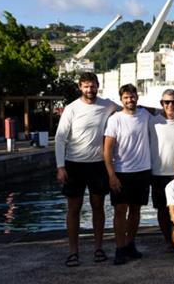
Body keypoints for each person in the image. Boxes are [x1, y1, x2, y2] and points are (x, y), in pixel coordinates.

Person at [54, 72, 117, 267]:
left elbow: (130, 109)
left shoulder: (107, 105)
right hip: (74, 164)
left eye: (93, 86)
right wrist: (60, 166)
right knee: (73, 209)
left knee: (98, 206)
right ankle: (73, 251)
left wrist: (160, 111)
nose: (89, 90)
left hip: (98, 165)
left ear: (98, 86)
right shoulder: (72, 109)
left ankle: (99, 248)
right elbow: (60, 138)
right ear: (80, 87)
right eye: (86, 86)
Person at [103, 84, 152, 265]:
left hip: (142, 171)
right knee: (120, 211)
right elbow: (107, 151)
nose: (130, 100)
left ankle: (130, 244)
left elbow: (162, 113)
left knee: (136, 210)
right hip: (122, 172)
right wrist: (111, 175)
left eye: (132, 96)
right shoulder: (115, 119)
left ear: (137, 97)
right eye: (126, 97)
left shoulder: (145, 115)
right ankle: (119, 247)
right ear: (121, 99)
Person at [149, 88, 174, 252]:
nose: (170, 105)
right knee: (162, 210)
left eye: (173, 102)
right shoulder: (153, 121)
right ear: (161, 104)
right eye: (166, 102)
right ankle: (168, 240)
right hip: (158, 173)